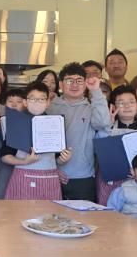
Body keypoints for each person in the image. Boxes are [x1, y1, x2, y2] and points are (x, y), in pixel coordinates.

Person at [47, 62, 111, 202]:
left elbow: (103, 123)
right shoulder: (50, 108)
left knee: (83, 215)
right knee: (50, 214)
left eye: (79, 81)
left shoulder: (91, 107)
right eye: (69, 80)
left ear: (85, 84)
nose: (74, 85)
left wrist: (96, 91)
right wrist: (54, 168)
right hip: (52, 174)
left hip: (83, 176)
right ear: (61, 84)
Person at [2, 82, 72, 200]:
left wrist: (64, 158)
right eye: (33, 99)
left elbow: (56, 159)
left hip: (50, 180)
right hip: (23, 179)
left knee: (49, 212)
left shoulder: (55, 124)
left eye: (41, 99)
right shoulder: (17, 124)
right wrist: (24, 161)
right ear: (25, 102)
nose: (37, 102)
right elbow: (4, 156)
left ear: (48, 102)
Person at [95, 85, 137, 206]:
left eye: (131, 102)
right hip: (109, 181)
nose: (127, 106)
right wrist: (107, 126)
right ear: (113, 107)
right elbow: (97, 148)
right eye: (121, 103)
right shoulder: (105, 129)